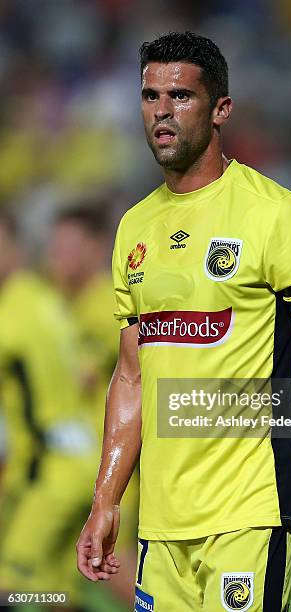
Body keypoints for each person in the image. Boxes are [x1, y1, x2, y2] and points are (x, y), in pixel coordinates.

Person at [77, 31, 291, 611]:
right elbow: (130, 375)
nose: (161, 112)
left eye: (180, 97)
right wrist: (106, 498)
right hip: (163, 520)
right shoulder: (134, 228)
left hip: (251, 508)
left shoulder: (278, 216)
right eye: (150, 96)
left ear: (220, 109)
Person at [0, 212, 96, 608]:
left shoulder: (11, 316)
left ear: (14, 249)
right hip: (79, 459)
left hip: (50, 469)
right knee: (56, 592)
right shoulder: (43, 300)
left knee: (5, 585)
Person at [48, 204, 139, 606]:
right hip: (71, 458)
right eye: (56, 246)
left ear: (95, 248)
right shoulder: (62, 303)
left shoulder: (108, 306)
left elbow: (129, 375)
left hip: (105, 459)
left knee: (107, 560)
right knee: (58, 571)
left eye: (71, 246)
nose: (59, 256)